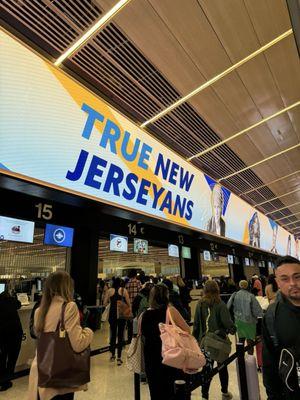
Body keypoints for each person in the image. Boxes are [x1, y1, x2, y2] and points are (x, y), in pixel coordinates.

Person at [28, 271, 93, 400]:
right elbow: (78, 344)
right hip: (61, 375)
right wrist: (88, 332)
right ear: (67, 287)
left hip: (41, 372)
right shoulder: (69, 307)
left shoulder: (38, 311)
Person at [141, 284, 190, 400]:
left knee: (156, 392)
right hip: (170, 357)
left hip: (151, 359)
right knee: (172, 391)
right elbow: (187, 330)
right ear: (166, 296)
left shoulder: (144, 314)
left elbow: (141, 335)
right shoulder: (171, 311)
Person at [262, 256, 300, 399]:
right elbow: (269, 364)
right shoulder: (272, 317)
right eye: (285, 279)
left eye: (297, 276)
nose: (293, 283)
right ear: (277, 282)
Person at [193, 280, 235, 400]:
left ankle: (204, 395)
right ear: (217, 290)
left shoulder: (200, 304)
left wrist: (195, 340)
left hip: (205, 342)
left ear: (205, 290)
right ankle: (225, 392)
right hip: (219, 342)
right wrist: (232, 329)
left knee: (207, 369)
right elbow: (228, 323)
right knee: (222, 366)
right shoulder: (220, 304)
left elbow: (196, 325)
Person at [227, 280, 262, 355]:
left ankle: (241, 358)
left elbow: (228, 306)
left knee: (241, 341)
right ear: (247, 286)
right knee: (250, 342)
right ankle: (250, 358)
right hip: (249, 322)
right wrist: (261, 315)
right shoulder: (250, 296)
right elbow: (257, 310)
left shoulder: (235, 295)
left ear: (239, 286)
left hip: (238, 321)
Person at [104, 277, 131, 365]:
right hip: (121, 314)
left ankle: (112, 355)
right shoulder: (124, 290)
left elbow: (105, 303)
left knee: (113, 333)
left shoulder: (109, 291)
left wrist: (111, 304)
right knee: (120, 335)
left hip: (112, 314)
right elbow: (129, 303)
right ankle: (119, 357)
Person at [0, 289, 23, 392]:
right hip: (15, 333)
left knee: (2, 357)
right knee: (12, 358)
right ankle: (6, 381)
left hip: (2, 334)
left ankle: (2, 380)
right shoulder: (11, 301)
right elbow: (19, 304)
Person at [126, 269, 142, 343]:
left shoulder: (127, 283)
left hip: (129, 305)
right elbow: (140, 293)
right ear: (135, 275)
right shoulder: (138, 282)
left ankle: (129, 338)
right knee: (137, 320)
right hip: (137, 305)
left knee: (130, 322)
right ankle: (136, 336)